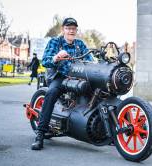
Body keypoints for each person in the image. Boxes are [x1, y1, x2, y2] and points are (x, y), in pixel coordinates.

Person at [31, 17, 93, 150]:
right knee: (51, 93)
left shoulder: (80, 44)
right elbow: (45, 61)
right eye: (68, 28)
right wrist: (57, 56)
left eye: (73, 28)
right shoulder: (55, 42)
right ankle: (40, 134)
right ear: (63, 30)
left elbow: (90, 60)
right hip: (59, 76)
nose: (71, 31)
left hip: (78, 78)